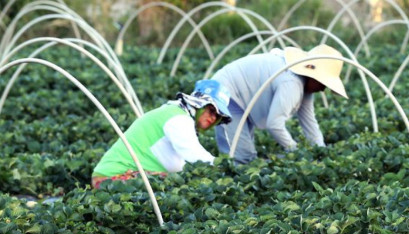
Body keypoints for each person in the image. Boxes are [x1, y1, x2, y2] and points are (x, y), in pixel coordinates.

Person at [211, 44, 348, 164]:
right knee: (240, 157)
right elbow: (274, 124)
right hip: (226, 92)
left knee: (244, 156)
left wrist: (321, 152)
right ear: (312, 76)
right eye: (323, 83)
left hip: (242, 95)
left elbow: (309, 122)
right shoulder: (291, 83)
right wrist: (295, 150)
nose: (323, 89)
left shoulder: (305, 85)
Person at [91, 79, 232, 188]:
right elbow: (195, 156)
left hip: (116, 176)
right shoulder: (178, 118)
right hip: (112, 178)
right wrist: (225, 168)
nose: (213, 117)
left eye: (218, 116)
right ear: (199, 105)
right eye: (211, 110)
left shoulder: (177, 114)